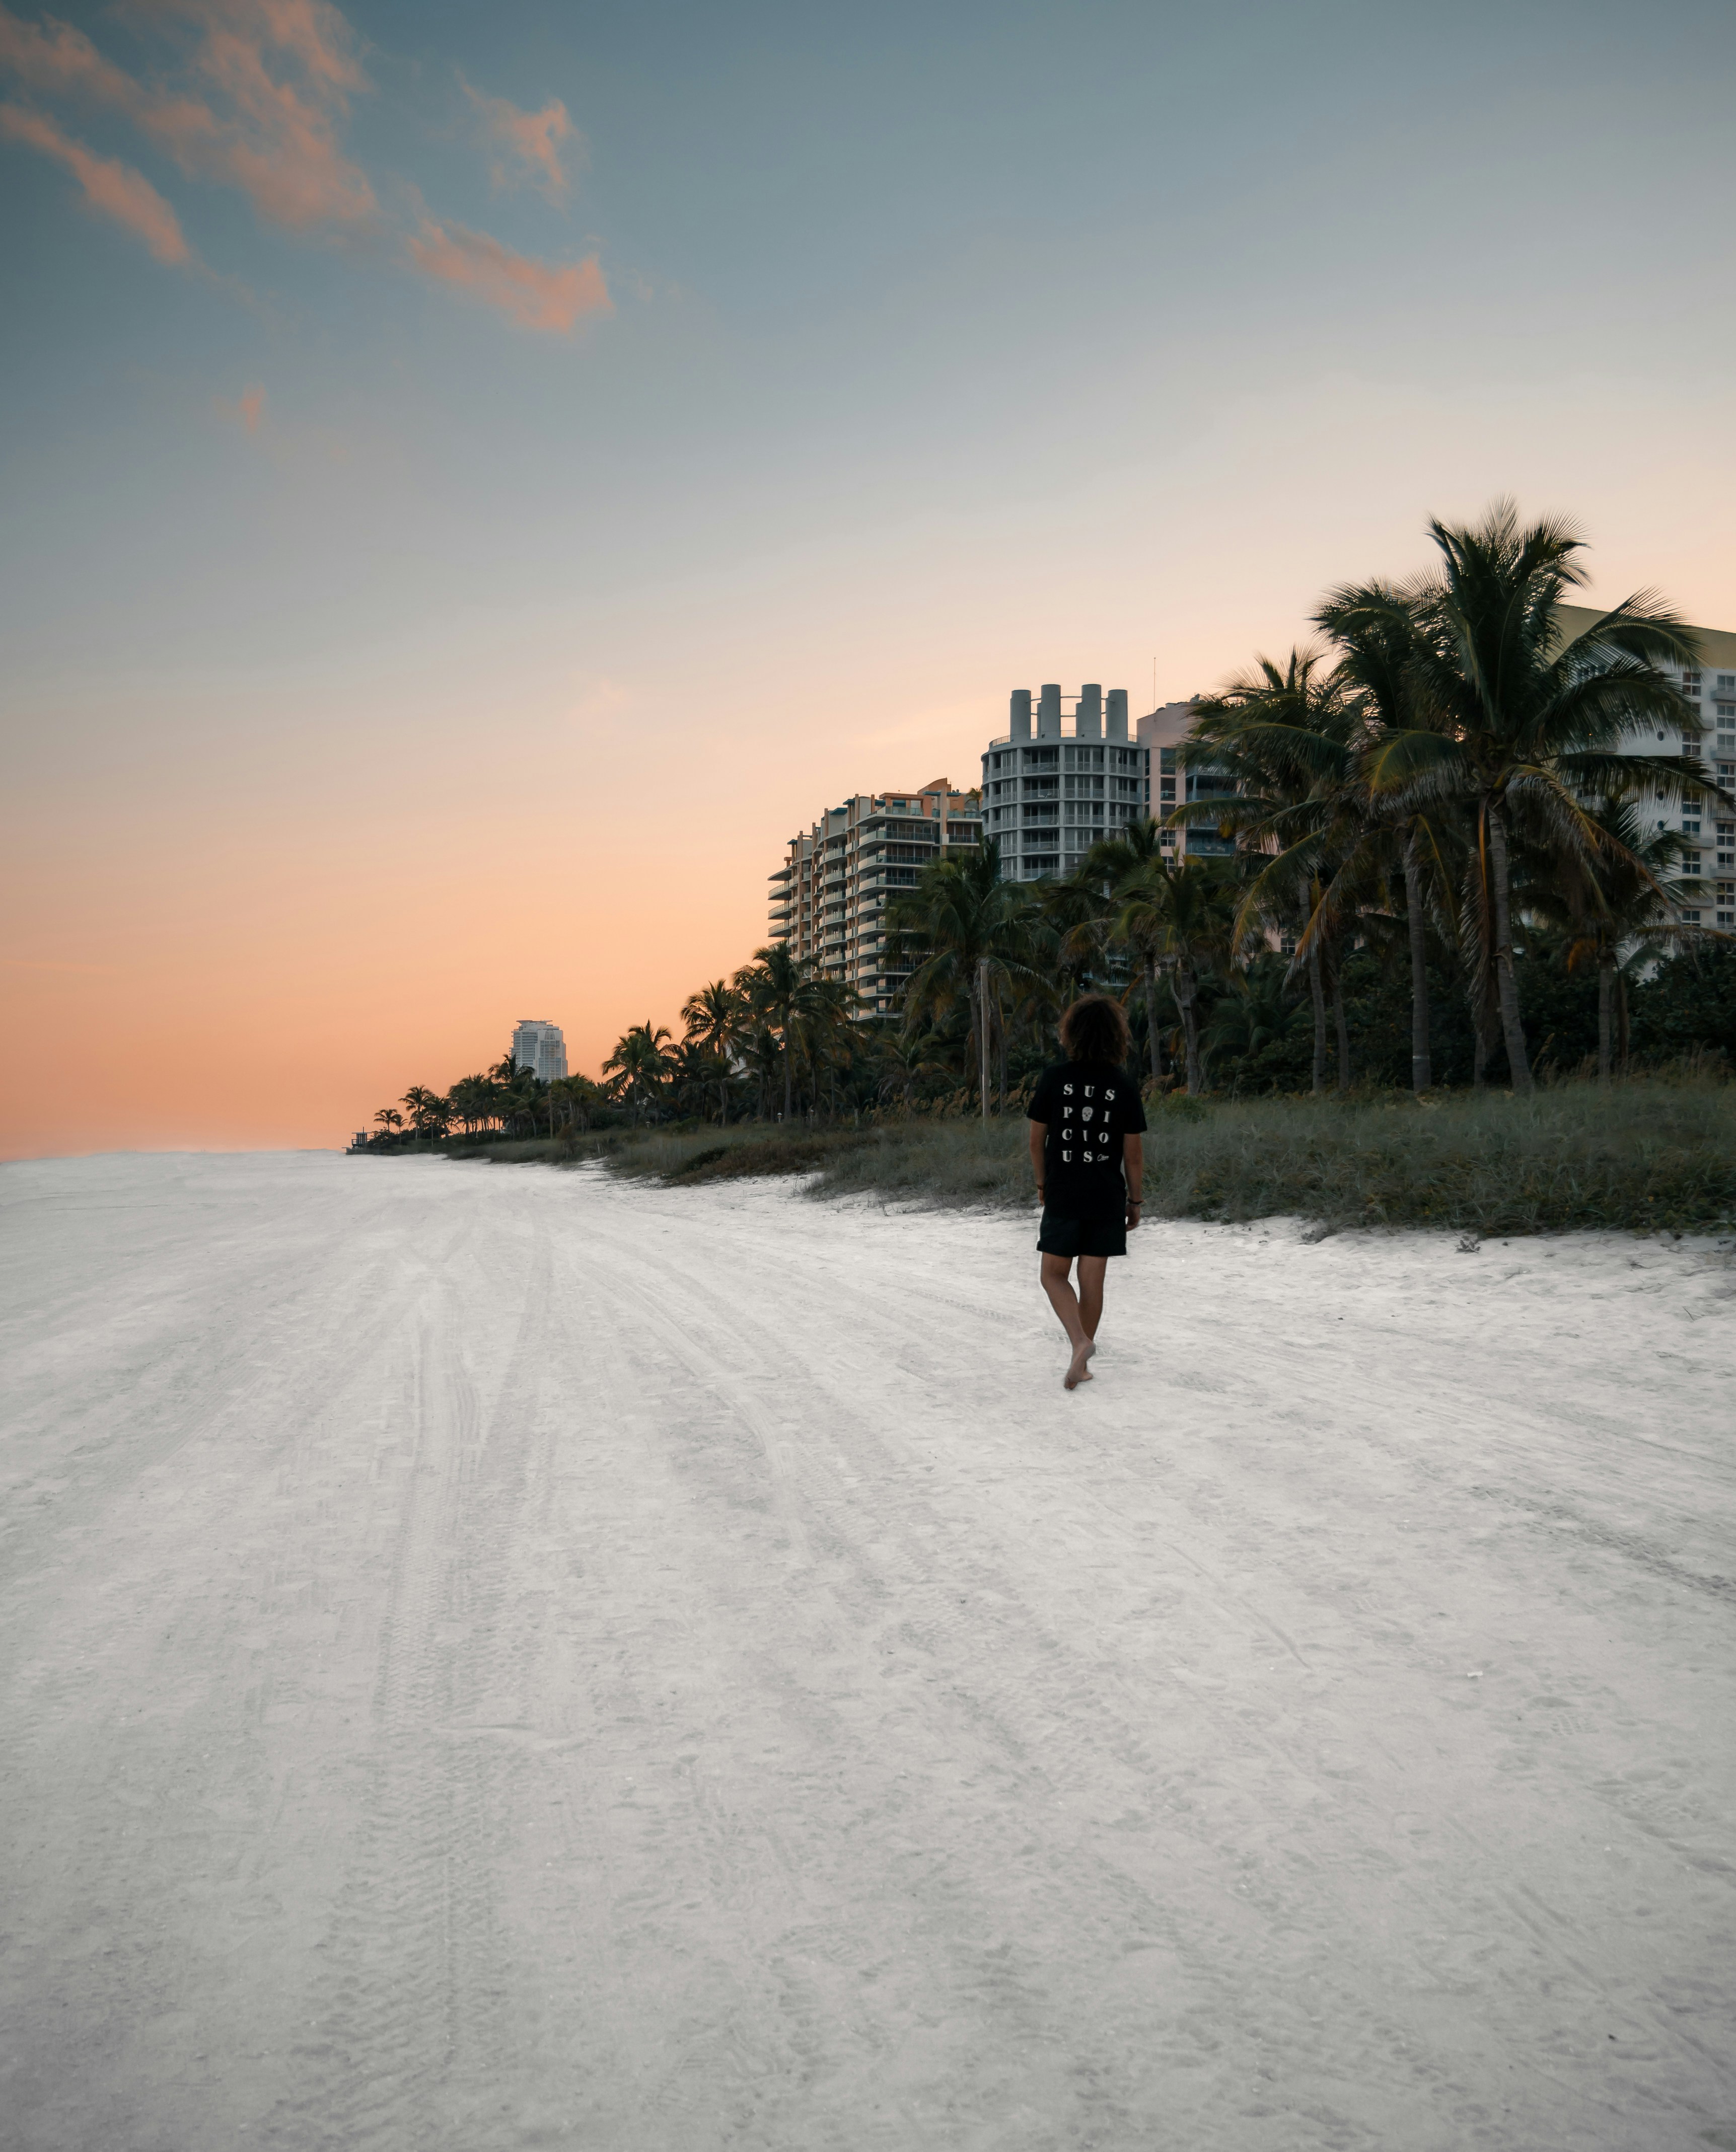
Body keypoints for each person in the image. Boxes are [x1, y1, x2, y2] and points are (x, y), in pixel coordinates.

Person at [1026, 994, 1147, 1389]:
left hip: (1064, 1190)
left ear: (1071, 1033)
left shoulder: (1054, 1078)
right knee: (1092, 1282)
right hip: (1106, 1194)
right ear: (1116, 1035)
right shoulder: (1124, 1084)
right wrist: (1135, 1201)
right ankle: (1080, 1359)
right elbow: (1133, 1155)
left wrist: (1042, 1182)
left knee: (1053, 1275)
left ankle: (1079, 1342)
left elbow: (1035, 1141)